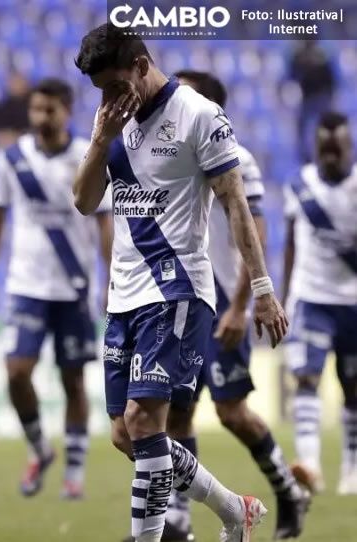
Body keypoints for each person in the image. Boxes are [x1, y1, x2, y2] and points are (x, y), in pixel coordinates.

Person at [72, 24, 288, 542]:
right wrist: (101, 138)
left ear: (142, 66)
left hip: (176, 291)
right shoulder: (112, 121)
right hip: (122, 297)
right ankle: (235, 508)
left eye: (114, 85)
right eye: (99, 89)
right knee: (126, 434)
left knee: (147, 422)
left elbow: (237, 205)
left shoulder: (198, 115)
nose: (107, 98)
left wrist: (262, 290)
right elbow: (83, 201)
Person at [118, 70, 311, 542]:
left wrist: (241, 306)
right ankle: (177, 522)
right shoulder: (160, 153)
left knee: (230, 411)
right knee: (176, 414)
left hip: (222, 301)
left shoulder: (236, 157)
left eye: (185, 94)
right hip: (176, 296)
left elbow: (256, 230)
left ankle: (286, 490)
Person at [0, 78, 112, 500]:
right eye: (36, 110)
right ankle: (40, 449)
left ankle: (74, 471)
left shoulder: (88, 156)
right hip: (26, 285)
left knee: (73, 380)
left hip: (74, 287)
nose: (40, 118)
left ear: (67, 111)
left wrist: (110, 278)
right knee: (17, 373)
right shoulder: (11, 158)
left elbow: (104, 221)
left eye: (49, 110)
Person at [283, 111, 357, 497]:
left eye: (336, 148)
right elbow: (292, 242)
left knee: (353, 389)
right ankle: (309, 466)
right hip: (311, 298)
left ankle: (352, 468)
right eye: (323, 148)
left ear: (348, 147)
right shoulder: (300, 186)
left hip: (353, 303)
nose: (329, 155)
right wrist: (280, 296)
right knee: (306, 378)